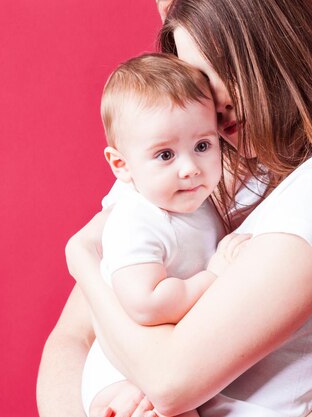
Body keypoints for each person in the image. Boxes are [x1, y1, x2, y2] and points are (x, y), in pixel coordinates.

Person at [37, 1, 312, 417]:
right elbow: (75, 335)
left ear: (270, 39)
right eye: (199, 75)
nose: (215, 98)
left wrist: (84, 259)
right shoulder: (185, 149)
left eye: (225, 66)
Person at [81, 52, 225, 417]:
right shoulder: (136, 220)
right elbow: (146, 303)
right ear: (122, 165)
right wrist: (216, 276)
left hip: (165, 362)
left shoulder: (197, 203)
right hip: (121, 370)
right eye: (165, 155)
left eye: (203, 146)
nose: (190, 168)